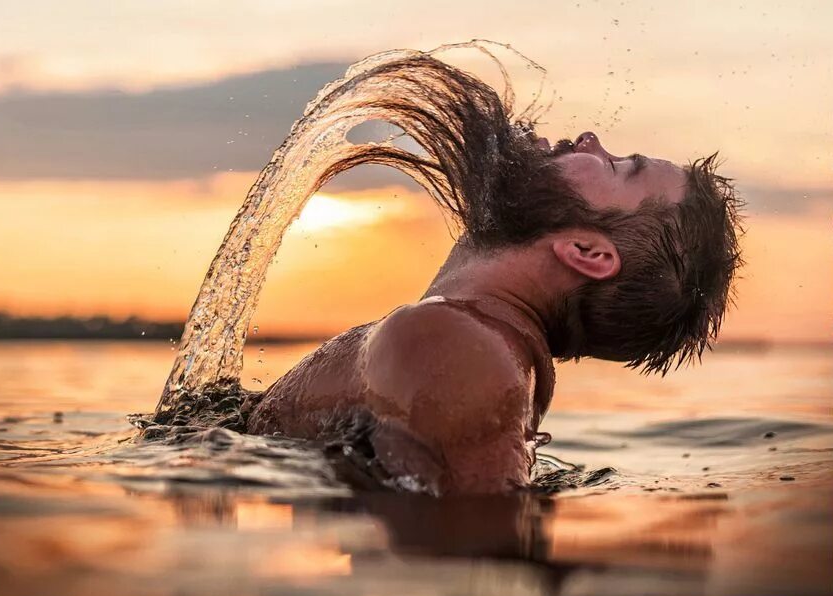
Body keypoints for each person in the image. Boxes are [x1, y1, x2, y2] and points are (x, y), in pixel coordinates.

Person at [237, 54, 745, 495]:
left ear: (587, 251)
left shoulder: (458, 347)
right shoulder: (467, 342)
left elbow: (473, 558)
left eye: (617, 166)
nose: (591, 139)